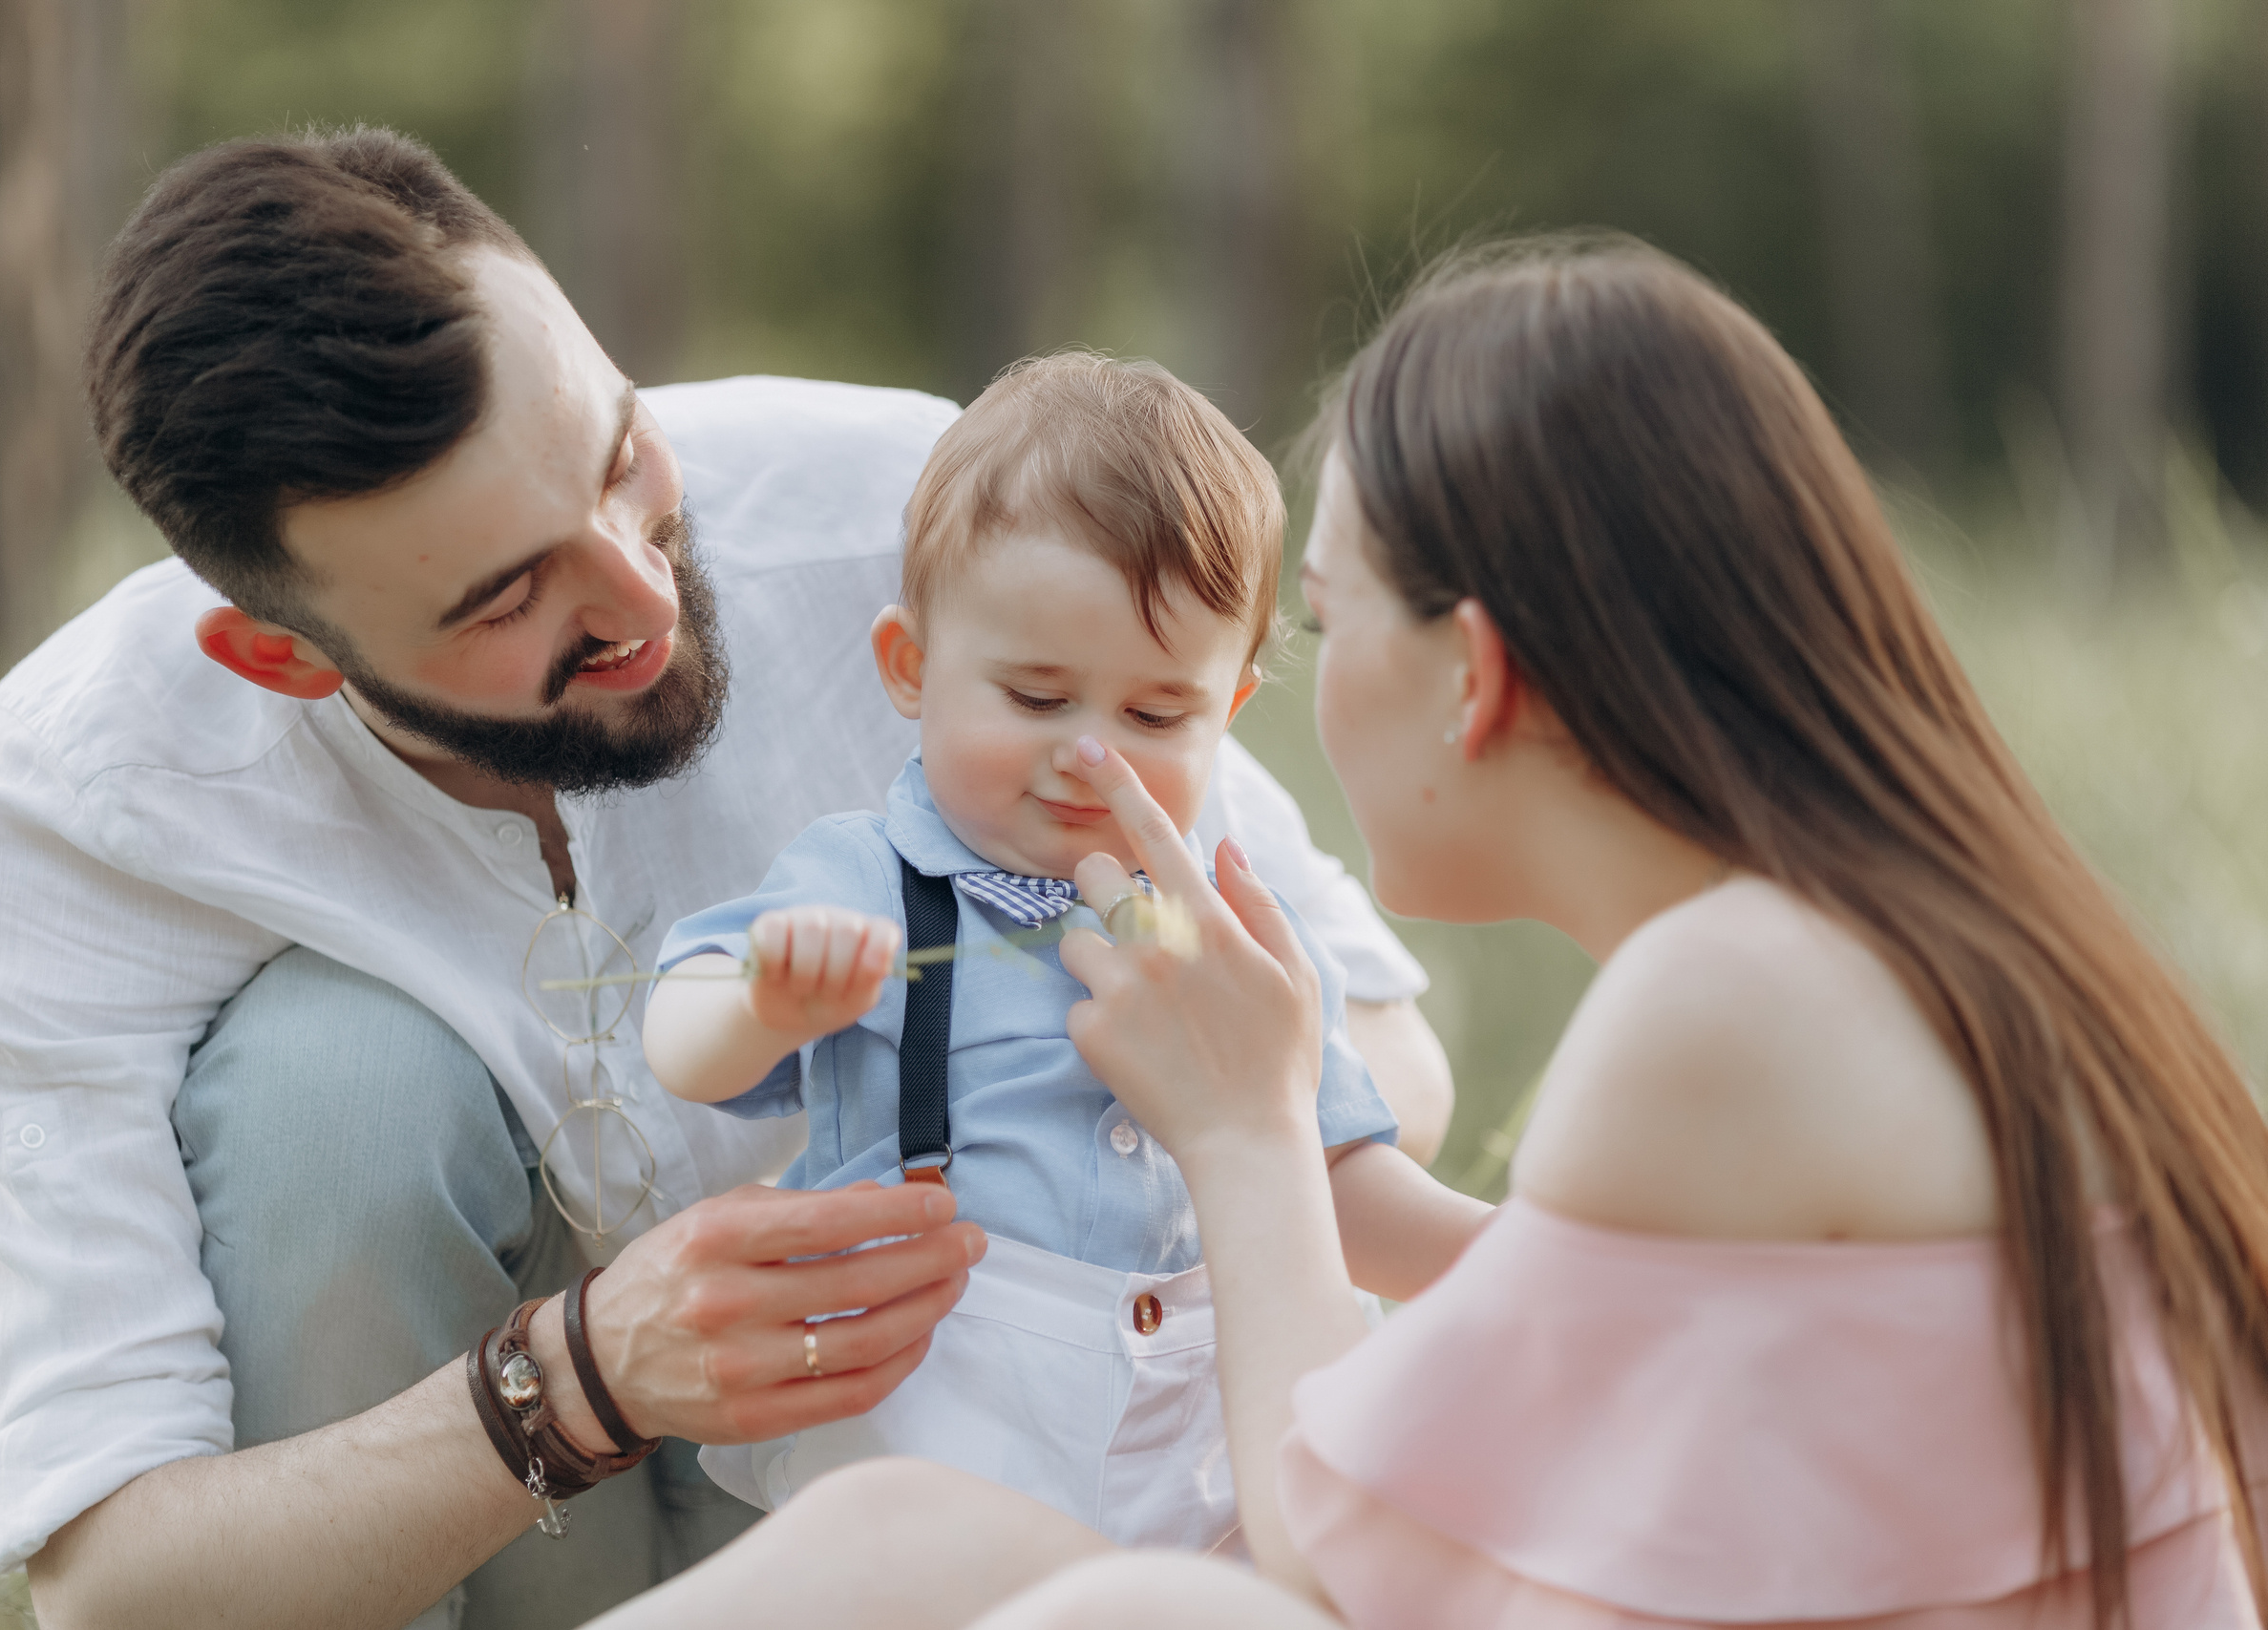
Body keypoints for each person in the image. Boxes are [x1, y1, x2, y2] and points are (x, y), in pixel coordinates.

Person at [574, 236, 2268, 1630]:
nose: (1214, 743)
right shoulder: (1902, 943)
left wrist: (1246, 1122)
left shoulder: (1732, 997)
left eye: (1320, 622)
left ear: (1480, 675)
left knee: (1137, 1615)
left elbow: (1341, 1548)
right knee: (900, 1539)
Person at [0, 128, 1452, 1630]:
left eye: (622, 452)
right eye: (511, 592)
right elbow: (118, 1584)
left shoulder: (936, 522)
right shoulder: (72, 820)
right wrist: (587, 1375)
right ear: (283, 655)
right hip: (452, 1502)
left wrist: (1052, 1122)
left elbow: (1373, 1049)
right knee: (332, 1078)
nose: (643, 590)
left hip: (953, 1431)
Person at [641, 354, 1473, 1546]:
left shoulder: (1232, 934)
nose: (1091, 757)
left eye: (1153, 716)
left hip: (1201, 1481)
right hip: (934, 1462)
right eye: (1035, 699)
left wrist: (1513, 1262)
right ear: (910, 669)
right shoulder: (868, 880)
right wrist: (766, 1002)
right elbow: (682, 1045)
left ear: (1227, 711)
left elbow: (1327, 1184)